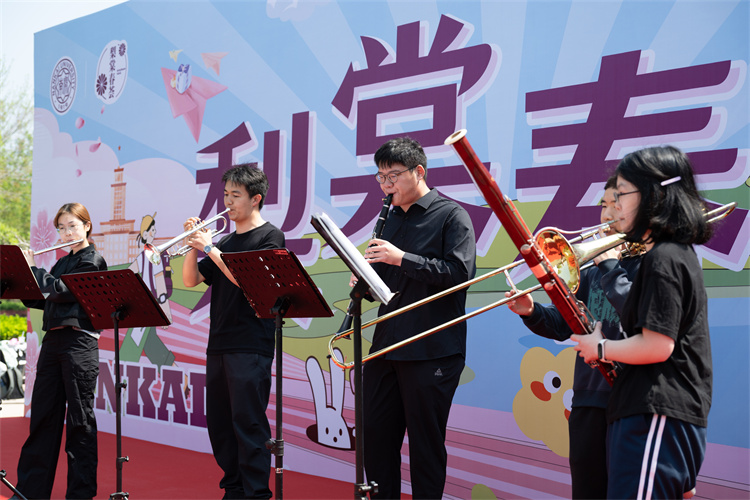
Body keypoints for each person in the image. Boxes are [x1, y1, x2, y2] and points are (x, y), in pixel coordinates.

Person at [571, 146, 713, 499]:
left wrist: (599, 347)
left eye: (621, 194)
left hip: (655, 412)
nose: (614, 207)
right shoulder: (668, 255)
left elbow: (657, 345)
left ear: (653, 195)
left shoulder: (665, 257)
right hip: (649, 412)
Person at [505, 176, 641, 499]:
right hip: (588, 401)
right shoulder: (592, 271)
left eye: (617, 205)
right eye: (604, 206)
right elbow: (564, 323)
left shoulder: (651, 267)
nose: (607, 215)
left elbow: (643, 320)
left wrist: (612, 266)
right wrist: (531, 311)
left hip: (632, 401)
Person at [360, 137, 476, 498]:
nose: (386, 185)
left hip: (431, 349)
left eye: (393, 176)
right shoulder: (389, 218)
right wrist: (364, 281)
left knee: (425, 447)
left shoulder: (451, 215)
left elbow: (459, 274)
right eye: (380, 177)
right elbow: (386, 283)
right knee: (376, 440)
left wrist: (401, 258)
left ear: (419, 171)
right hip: (386, 346)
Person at [182, 163, 285, 499]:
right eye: (226, 194)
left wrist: (210, 248)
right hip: (220, 342)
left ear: (256, 199)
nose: (228, 202)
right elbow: (191, 280)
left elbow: (249, 282)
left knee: (248, 422)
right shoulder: (226, 240)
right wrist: (193, 245)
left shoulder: (270, 236)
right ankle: (234, 488)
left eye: (236, 195)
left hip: (251, 342)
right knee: (221, 424)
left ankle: (256, 493)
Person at [16, 202, 108, 500]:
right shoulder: (61, 263)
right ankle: (30, 492)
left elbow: (62, 291)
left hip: (79, 344)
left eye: (72, 226)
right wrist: (21, 277)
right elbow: (42, 299)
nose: (66, 233)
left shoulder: (92, 260)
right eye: (61, 228)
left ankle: (80, 495)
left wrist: (34, 270)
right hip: (53, 343)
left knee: (80, 423)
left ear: (87, 226)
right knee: (43, 419)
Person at [123, 212, 176, 371]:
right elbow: (129, 274)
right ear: (145, 234)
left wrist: (165, 314)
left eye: (154, 230)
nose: (154, 233)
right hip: (146, 306)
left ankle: (176, 373)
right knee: (150, 343)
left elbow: (160, 287)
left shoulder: (152, 255)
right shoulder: (146, 256)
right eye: (152, 230)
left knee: (150, 343)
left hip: (150, 305)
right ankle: (175, 372)